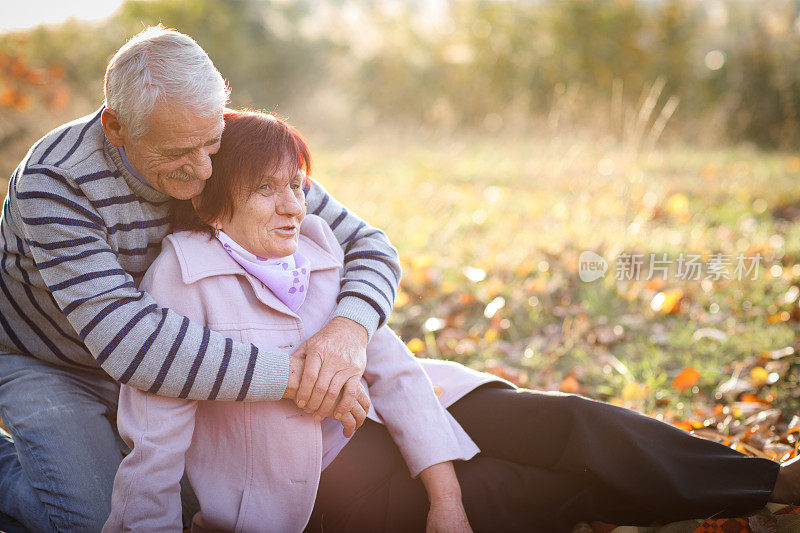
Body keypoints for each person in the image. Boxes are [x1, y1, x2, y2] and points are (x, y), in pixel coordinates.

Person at [107, 109, 800, 533]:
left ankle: (766, 480)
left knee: (569, 422)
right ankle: (636, 504)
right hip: (322, 487)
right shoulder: (180, 280)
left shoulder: (317, 246)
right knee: (531, 488)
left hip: (416, 403)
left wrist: (444, 494)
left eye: (297, 185)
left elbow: (391, 364)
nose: (294, 206)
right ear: (214, 203)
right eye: (266, 189)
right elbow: (156, 435)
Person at [0, 26, 401, 532]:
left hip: (178, 368)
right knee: (96, 518)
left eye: (210, 142)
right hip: (49, 360)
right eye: (176, 154)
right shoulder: (54, 183)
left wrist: (349, 332)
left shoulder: (225, 140)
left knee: (207, 503)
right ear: (116, 126)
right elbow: (132, 345)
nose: (204, 168)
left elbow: (371, 247)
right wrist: (302, 380)